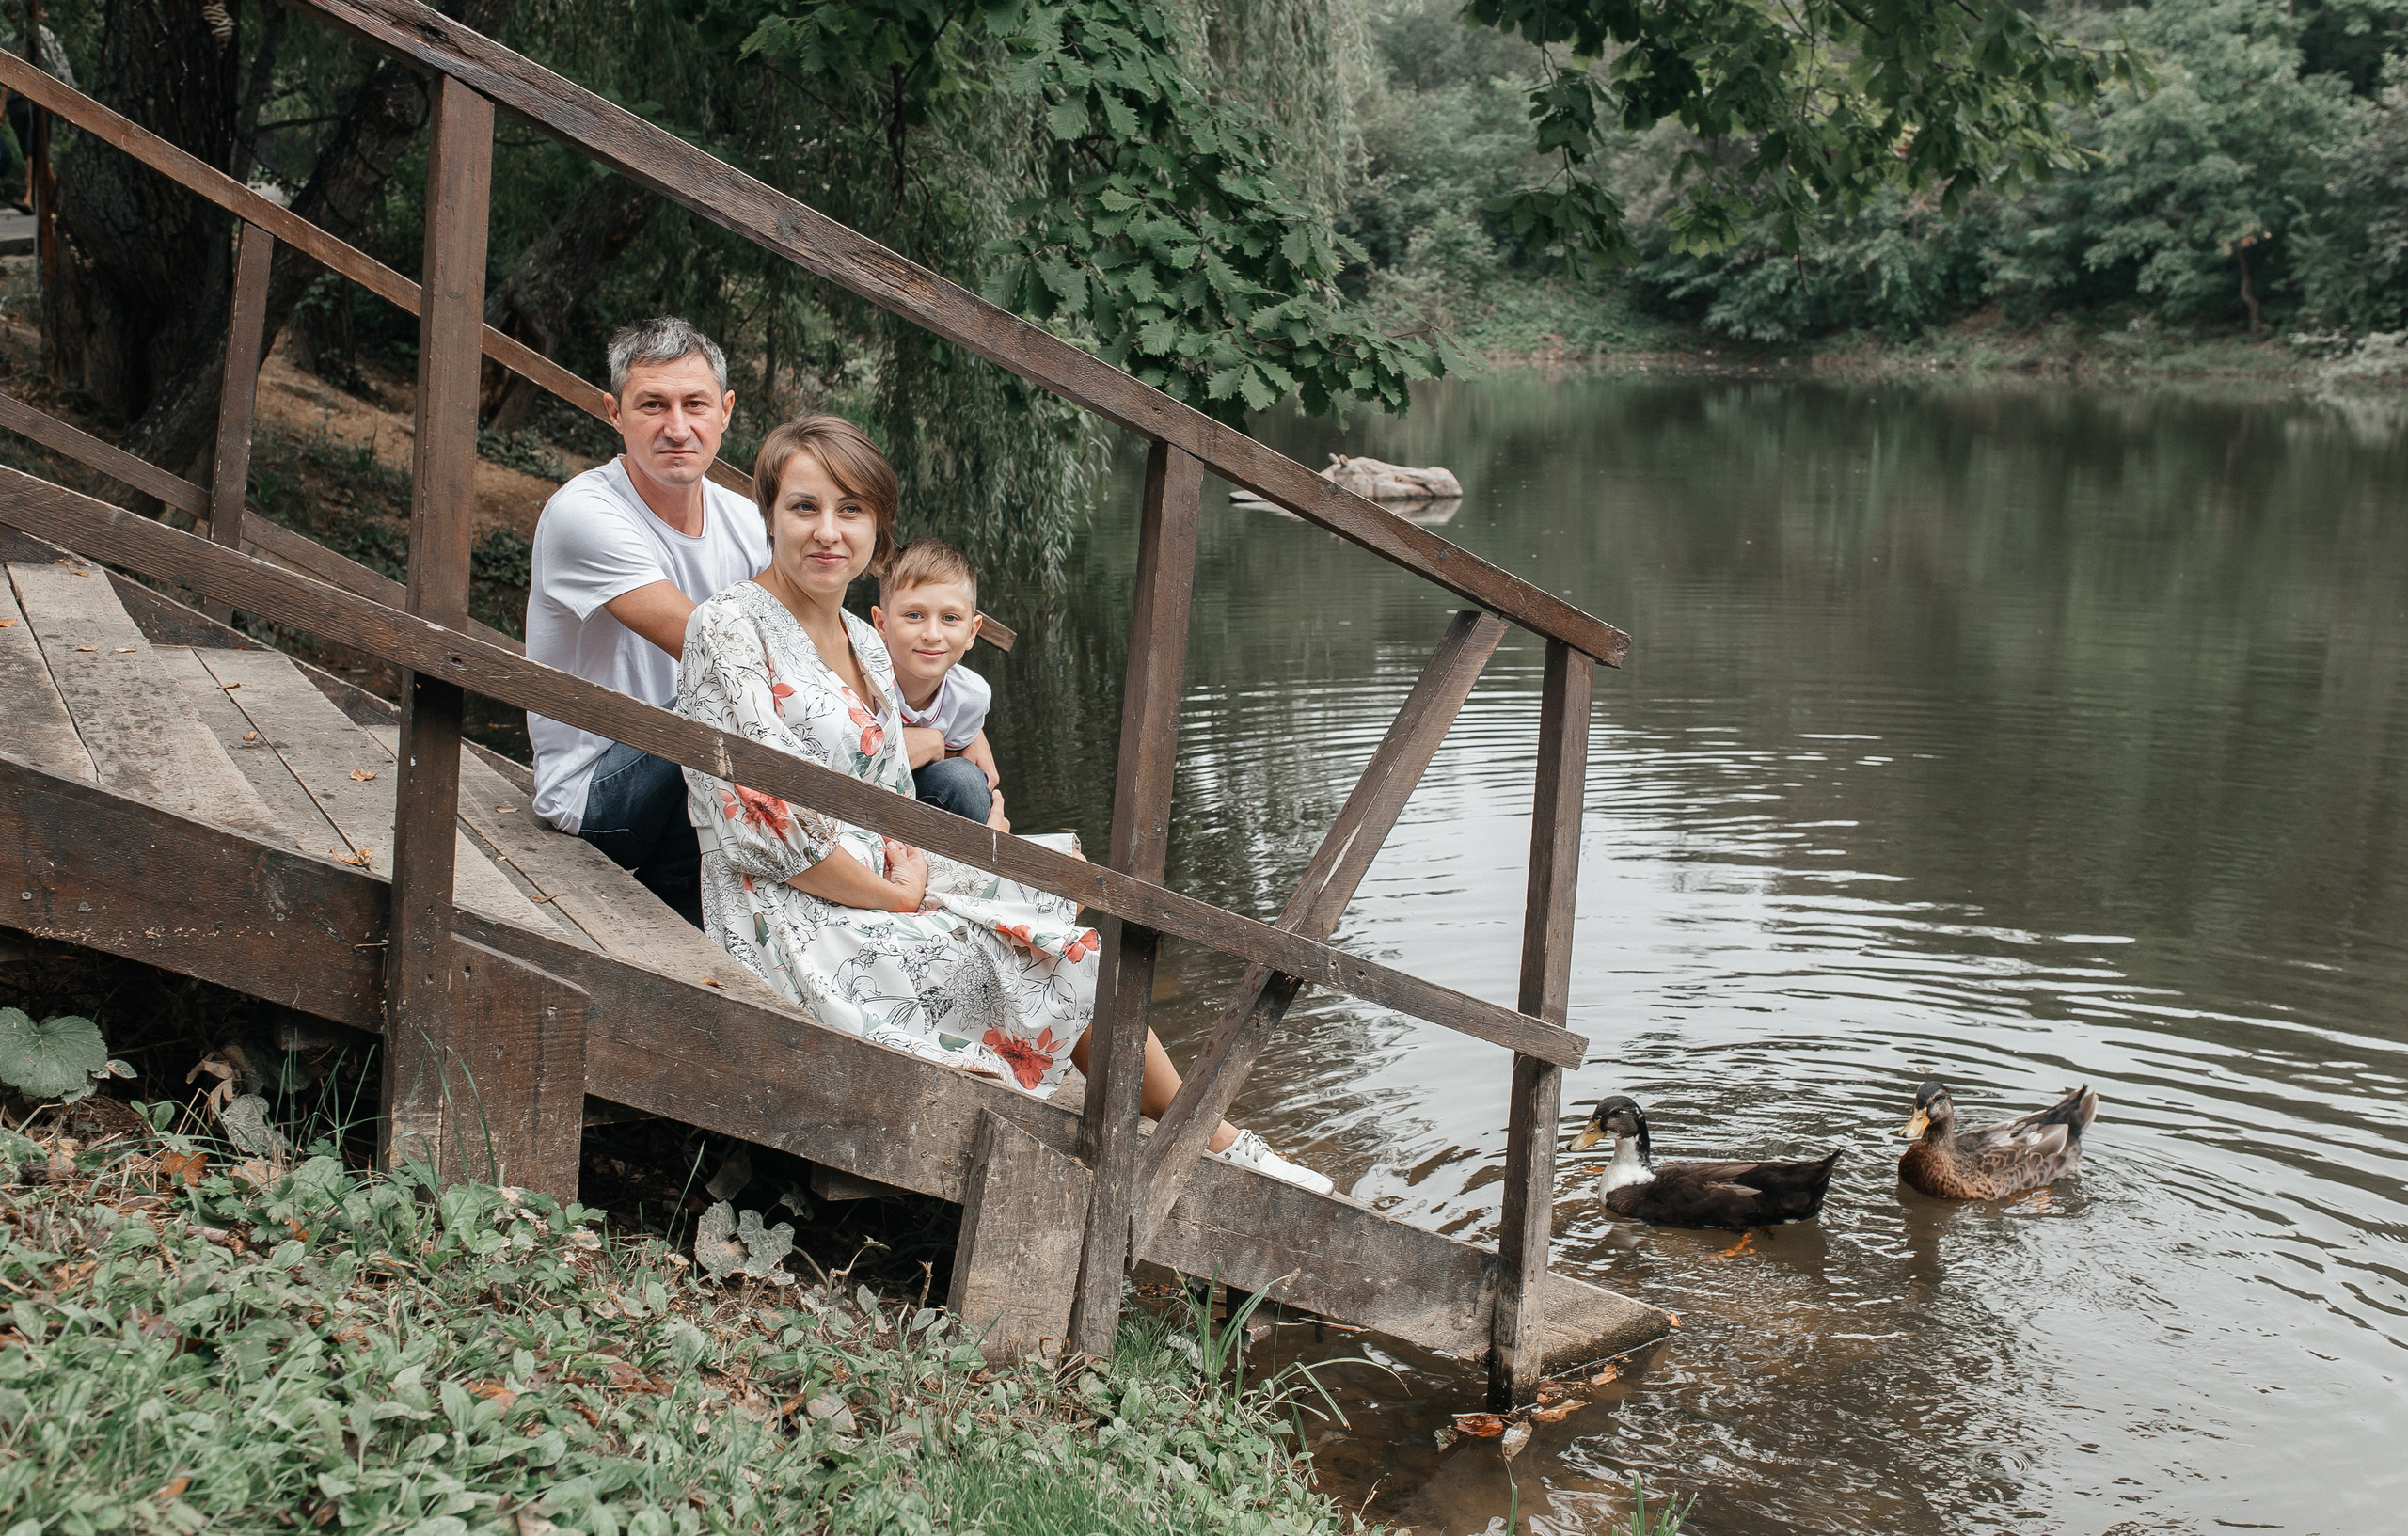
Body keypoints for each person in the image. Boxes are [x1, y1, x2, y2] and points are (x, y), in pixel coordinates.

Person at [677, 415, 1333, 1193]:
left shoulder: (864, 639)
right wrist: (896, 894)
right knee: (1030, 953)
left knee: (1056, 883)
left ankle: (1201, 1130)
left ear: (879, 527)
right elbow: (761, 824)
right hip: (783, 912)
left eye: (851, 510)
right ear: (770, 514)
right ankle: (1208, 1136)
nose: (828, 532)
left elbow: (891, 794)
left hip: (875, 879)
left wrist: (909, 869)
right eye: (804, 507)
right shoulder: (727, 627)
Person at [524, 318, 767, 927]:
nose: (677, 428)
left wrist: (944, 720)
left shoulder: (745, 521)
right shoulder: (585, 514)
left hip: (690, 790)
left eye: (695, 404)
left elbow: (808, 642)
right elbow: (715, 648)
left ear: (726, 410)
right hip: (593, 798)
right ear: (614, 411)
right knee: (721, 701)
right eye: (653, 405)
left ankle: (687, 918)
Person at [871, 539, 1005, 828]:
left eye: (950, 618)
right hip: (856, 794)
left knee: (967, 779)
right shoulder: (864, 679)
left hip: (922, 795)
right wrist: (928, 742)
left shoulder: (971, 696)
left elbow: (955, 770)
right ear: (881, 624)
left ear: (972, 632)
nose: (932, 634)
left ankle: (976, 863)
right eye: (914, 616)